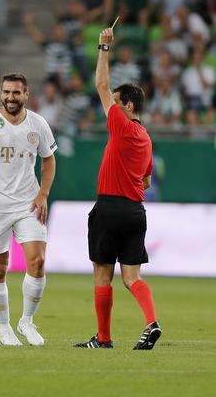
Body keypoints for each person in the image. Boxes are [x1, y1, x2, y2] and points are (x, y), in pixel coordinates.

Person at [74, 26, 161, 350]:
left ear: (126, 106)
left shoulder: (122, 126)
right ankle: (151, 322)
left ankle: (105, 338)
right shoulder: (146, 138)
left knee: (102, 275)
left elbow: (100, 84)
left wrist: (103, 46)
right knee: (132, 277)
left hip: (110, 207)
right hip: (136, 211)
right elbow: (147, 179)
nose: (112, 104)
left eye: (116, 102)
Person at [0, 73, 57, 346]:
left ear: (26, 94)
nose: (10, 97)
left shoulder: (38, 124)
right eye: (6, 92)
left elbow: (49, 160)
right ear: (0, 92)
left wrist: (43, 194)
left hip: (28, 202)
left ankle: (26, 321)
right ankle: (4, 329)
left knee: (37, 262)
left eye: (16, 93)